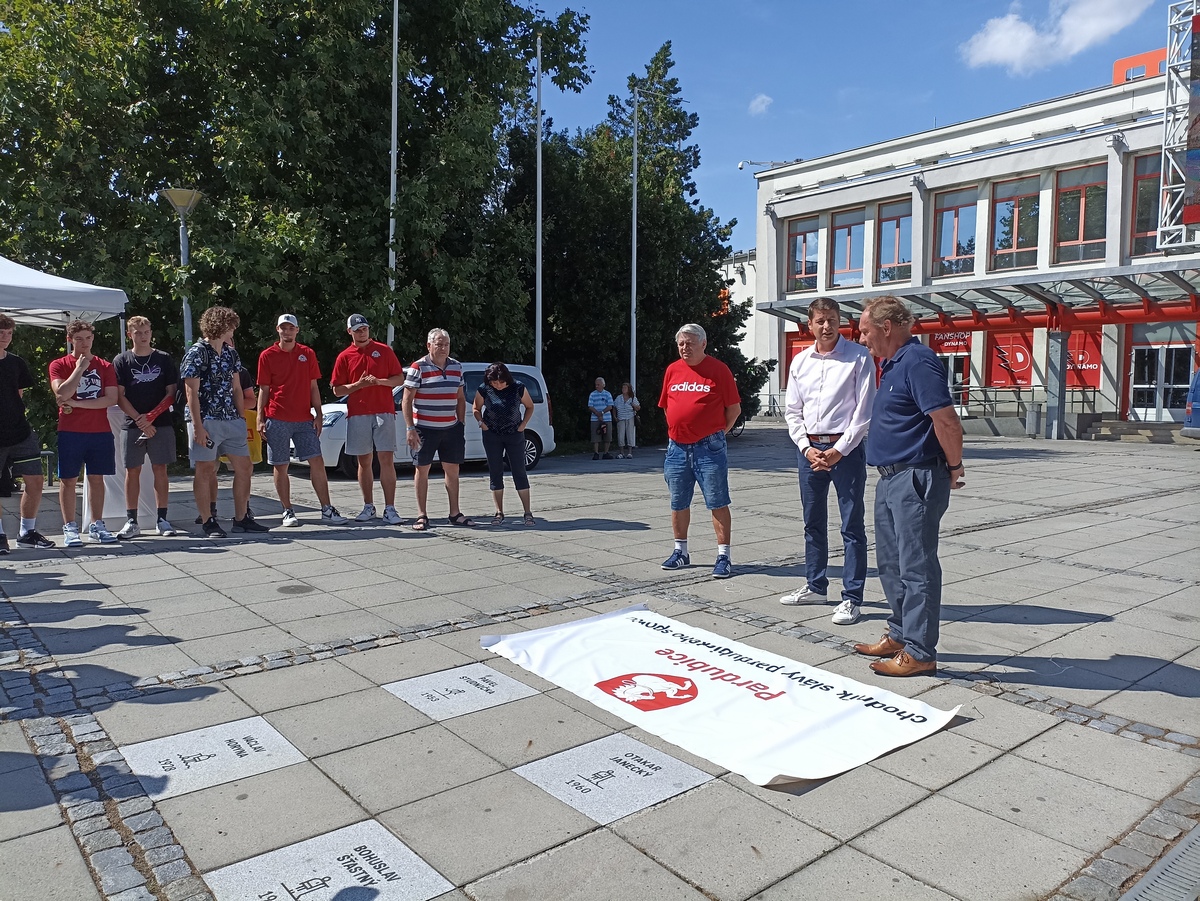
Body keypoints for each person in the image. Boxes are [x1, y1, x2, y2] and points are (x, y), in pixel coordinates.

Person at [853, 295, 965, 677]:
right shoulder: (892, 364)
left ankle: (920, 651)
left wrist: (954, 466)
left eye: (865, 331)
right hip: (890, 478)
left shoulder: (918, 361)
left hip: (915, 477)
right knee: (891, 564)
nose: (861, 338)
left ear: (887, 327)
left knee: (916, 567)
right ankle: (900, 634)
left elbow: (946, 420)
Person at [780, 298, 875, 625]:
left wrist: (840, 449)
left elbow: (864, 412)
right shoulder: (800, 362)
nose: (826, 326)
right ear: (810, 325)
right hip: (810, 450)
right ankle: (816, 584)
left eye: (832, 319)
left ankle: (852, 598)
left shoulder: (858, 357)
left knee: (851, 524)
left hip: (844, 450)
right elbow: (793, 411)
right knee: (813, 522)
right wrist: (806, 448)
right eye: (820, 320)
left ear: (840, 321)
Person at [658, 323, 741, 579]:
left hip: (709, 448)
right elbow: (666, 406)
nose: (685, 348)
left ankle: (723, 556)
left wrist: (716, 435)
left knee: (717, 502)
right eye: (681, 344)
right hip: (677, 449)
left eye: (690, 343)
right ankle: (680, 551)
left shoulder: (718, 370)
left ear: (703, 344)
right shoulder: (672, 370)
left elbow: (734, 410)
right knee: (678, 502)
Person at [180, 306, 267, 538]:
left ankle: (241, 519)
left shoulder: (231, 353)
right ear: (221, 326)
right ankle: (208, 520)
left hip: (231, 419)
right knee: (206, 469)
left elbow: (237, 388)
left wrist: (240, 416)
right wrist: (197, 426)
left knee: (245, 467)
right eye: (231, 326)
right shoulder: (197, 352)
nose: (234, 330)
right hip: (206, 419)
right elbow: (191, 392)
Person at [257, 314, 348, 528]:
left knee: (317, 461)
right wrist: (260, 418)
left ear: (297, 330)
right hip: (277, 418)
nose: (287, 331)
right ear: (277, 330)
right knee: (281, 465)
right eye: (283, 328)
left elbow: (313, 387)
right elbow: (264, 389)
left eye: (291, 328)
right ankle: (287, 510)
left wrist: (318, 414)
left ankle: (327, 509)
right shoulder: (267, 355)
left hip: (304, 419)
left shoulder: (307, 353)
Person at [330, 314, 405, 525]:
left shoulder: (384, 351)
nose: (362, 332)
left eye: (364, 328)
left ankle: (390, 508)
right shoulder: (344, 356)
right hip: (358, 412)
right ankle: (368, 506)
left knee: (386, 459)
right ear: (350, 332)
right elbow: (337, 390)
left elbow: (399, 379)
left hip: (384, 411)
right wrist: (358, 386)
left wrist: (378, 382)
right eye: (357, 330)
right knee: (363, 461)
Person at [48, 319, 118, 545]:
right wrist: (79, 368)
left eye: (88, 338)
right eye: (79, 339)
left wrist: (77, 404)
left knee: (97, 478)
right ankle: (70, 527)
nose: (84, 343)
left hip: (100, 431)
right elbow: (61, 393)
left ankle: (97, 524)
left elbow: (110, 399)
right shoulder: (59, 365)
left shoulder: (105, 366)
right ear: (70, 340)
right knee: (68, 480)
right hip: (70, 432)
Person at [112, 316, 179, 539]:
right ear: (129, 334)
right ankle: (132, 521)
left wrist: (151, 417)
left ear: (151, 332)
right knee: (133, 470)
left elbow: (171, 394)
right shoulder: (122, 360)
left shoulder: (163, 358)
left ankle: (163, 519)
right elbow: (119, 396)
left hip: (160, 422)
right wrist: (140, 420)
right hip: (132, 424)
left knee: (161, 469)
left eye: (146, 331)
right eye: (137, 332)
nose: (143, 336)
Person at [402, 328, 473, 530]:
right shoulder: (418, 367)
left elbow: (460, 398)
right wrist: (410, 428)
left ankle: (455, 513)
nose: (443, 348)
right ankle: (421, 515)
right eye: (439, 344)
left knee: (453, 471)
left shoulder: (457, 367)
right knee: (421, 470)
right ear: (429, 345)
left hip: (451, 429)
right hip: (424, 428)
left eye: (446, 344)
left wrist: (460, 424)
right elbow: (407, 400)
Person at [0, 314, 54, 551]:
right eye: (1, 333)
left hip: (20, 432)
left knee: (35, 479)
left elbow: (19, 394)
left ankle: (27, 532)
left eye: (9, 333)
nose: (5, 337)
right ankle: (0, 535)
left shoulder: (16, 362)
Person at [472, 362, 535, 526]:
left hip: (514, 433)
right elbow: (476, 408)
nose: (497, 385)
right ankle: (499, 512)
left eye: (500, 382)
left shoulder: (518, 387)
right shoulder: (484, 389)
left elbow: (529, 406)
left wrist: (523, 425)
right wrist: (481, 423)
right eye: (494, 382)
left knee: (519, 470)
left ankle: (527, 512)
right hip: (492, 434)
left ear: (507, 378)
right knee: (495, 471)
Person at [588, 377, 615, 460]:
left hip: (606, 418)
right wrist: (597, 414)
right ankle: (596, 453)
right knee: (595, 436)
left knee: (608, 436)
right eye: (596, 384)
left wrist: (602, 413)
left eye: (598, 384)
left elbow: (610, 406)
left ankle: (606, 453)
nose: (597, 386)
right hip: (595, 418)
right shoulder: (592, 394)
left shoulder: (607, 394)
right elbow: (590, 406)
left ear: (603, 385)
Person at [612, 382, 641, 459]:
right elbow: (614, 407)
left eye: (625, 388)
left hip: (630, 417)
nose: (623, 389)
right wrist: (615, 416)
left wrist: (633, 405)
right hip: (620, 418)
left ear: (629, 389)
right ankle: (621, 452)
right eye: (623, 388)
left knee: (629, 434)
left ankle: (629, 452)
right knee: (620, 435)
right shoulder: (618, 398)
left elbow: (638, 408)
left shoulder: (632, 398)